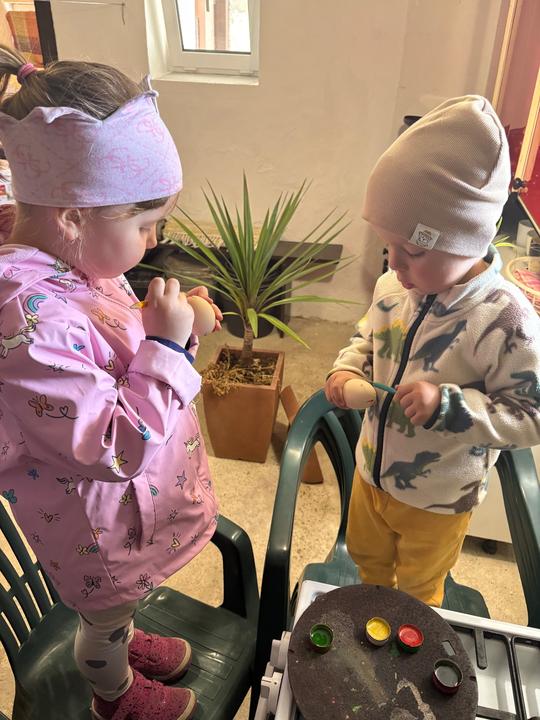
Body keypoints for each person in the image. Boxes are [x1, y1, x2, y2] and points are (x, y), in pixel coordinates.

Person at [0, 46, 223, 720]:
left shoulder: (74, 260)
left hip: (121, 520)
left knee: (119, 611)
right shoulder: (27, 322)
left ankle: (121, 633)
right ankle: (113, 693)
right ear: (74, 216)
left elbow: (114, 349)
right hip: (95, 535)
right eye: (145, 224)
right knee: (102, 620)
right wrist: (166, 346)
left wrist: (172, 330)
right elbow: (115, 445)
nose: (153, 241)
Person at [325, 95, 540, 608]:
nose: (394, 265)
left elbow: (530, 415)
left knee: (419, 595)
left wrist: (448, 406)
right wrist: (345, 370)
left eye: (413, 251)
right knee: (367, 565)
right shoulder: (393, 287)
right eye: (386, 246)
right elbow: (367, 339)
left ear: (467, 240)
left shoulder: (506, 321)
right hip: (370, 475)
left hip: (438, 502)